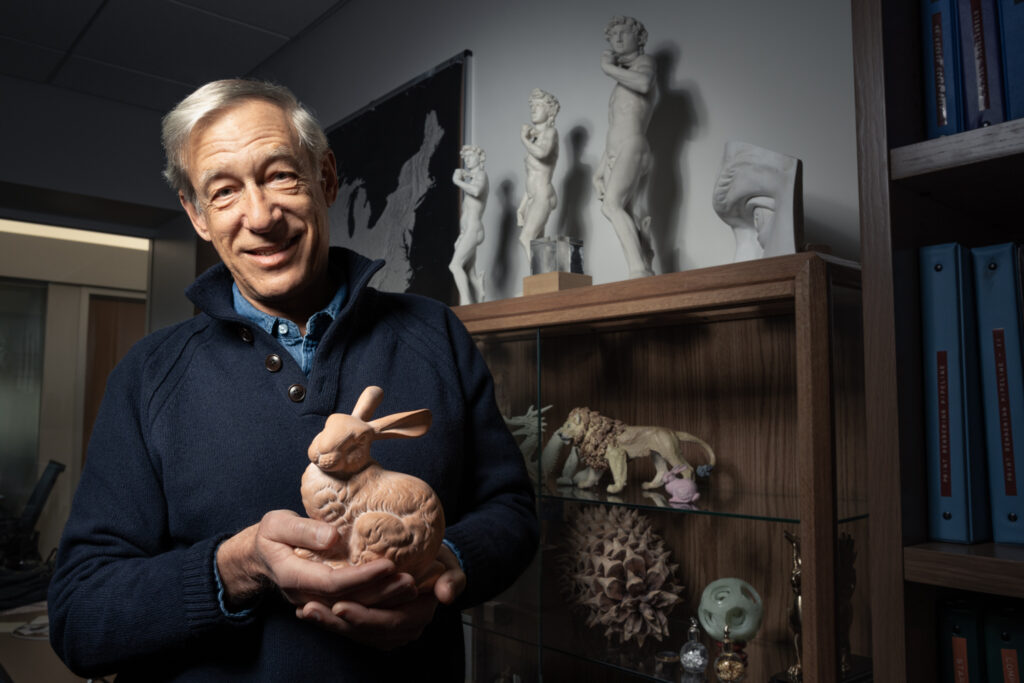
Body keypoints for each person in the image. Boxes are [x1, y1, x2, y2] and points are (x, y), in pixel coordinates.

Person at [47, 79, 538, 681]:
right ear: (197, 216)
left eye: (280, 175)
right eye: (224, 192)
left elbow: (510, 509)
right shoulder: (148, 376)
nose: (260, 217)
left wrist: (445, 564)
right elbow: (79, 616)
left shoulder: (433, 333)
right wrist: (236, 567)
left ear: (326, 179)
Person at [593, 15, 657, 279]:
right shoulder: (623, 80)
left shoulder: (645, 64)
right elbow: (616, 124)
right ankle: (646, 261)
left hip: (633, 145)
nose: (617, 39)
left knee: (611, 206)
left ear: (639, 38)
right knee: (629, 212)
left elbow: (644, 84)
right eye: (613, 35)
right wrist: (600, 166)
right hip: (615, 152)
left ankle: (639, 269)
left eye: (624, 33)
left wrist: (608, 68)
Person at [516, 88, 560, 265]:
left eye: (538, 106)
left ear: (549, 110)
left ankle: (538, 281)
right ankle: (544, 282)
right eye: (532, 106)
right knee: (538, 244)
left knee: (526, 238)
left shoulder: (551, 133)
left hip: (543, 194)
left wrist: (524, 139)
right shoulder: (534, 138)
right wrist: (522, 206)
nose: (533, 109)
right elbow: (530, 177)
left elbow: (543, 154)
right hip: (532, 197)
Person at [449, 144, 489, 305]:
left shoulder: (481, 174)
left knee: (455, 265)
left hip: (474, 229)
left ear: (480, 158)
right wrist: (462, 234)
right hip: (468, 231)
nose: (467, 160)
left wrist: (456, 181)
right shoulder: (474, 176)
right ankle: (479, 293)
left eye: (471, 156)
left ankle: (466, 303)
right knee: (467, 270)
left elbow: (477, 191)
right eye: (465, 158)